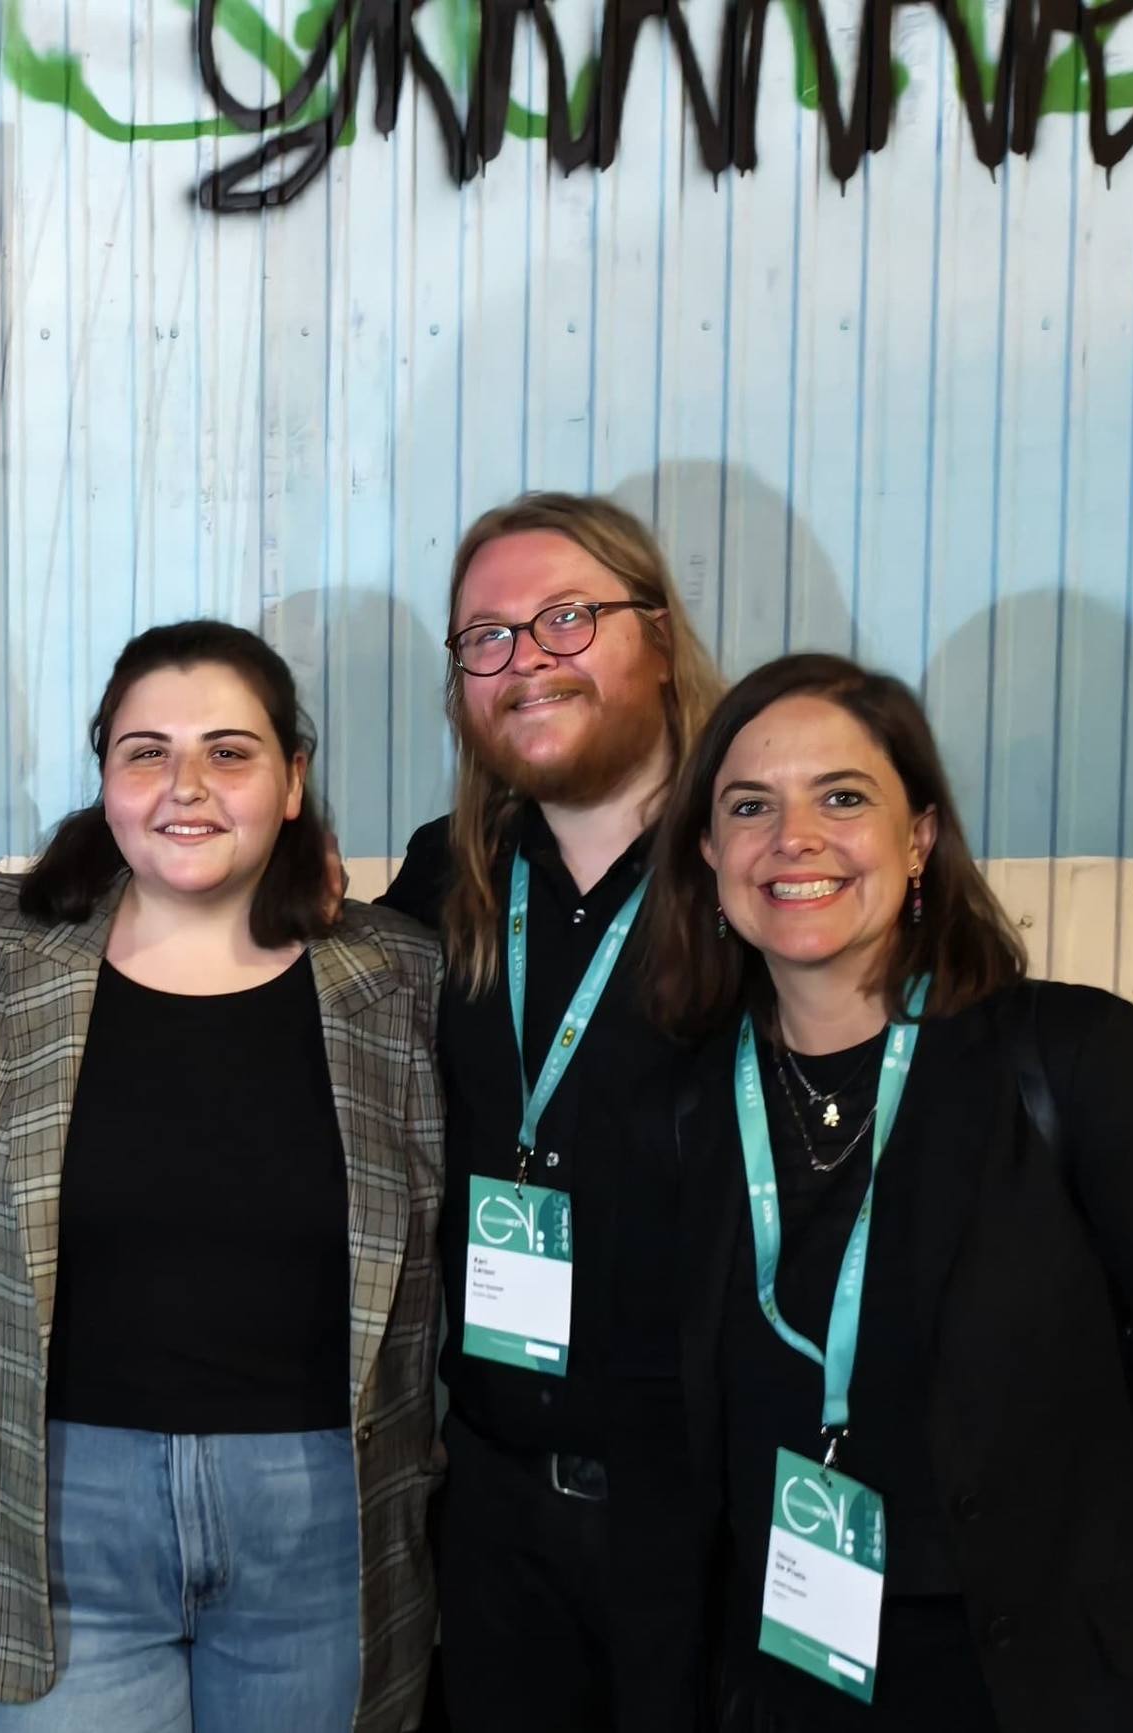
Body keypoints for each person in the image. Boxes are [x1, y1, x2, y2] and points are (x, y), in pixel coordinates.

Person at [630, 653, 1133, 1731]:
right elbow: (668, 1474)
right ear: (709, 855)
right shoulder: (688, 1107)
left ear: (920, 839)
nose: (794, 837)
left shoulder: (1073, 1060)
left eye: (843, 797)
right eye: (750, 806)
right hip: (787, 1685)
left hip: (1036, 1691)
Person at [0, 621, 447, 1732]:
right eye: (147, 751)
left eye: (229, 751)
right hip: (45, 1520)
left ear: (293, 780)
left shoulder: (403, 977)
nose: (186, 785)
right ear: (104, 777)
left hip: (321, 1525)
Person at [374, 492, 725, 1731]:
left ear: (659, 636)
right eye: (489, 636)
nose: (527, 659)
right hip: (495, 1512)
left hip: (713, 1527)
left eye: (568, 618)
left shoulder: (757, 870)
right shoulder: (446, 873)